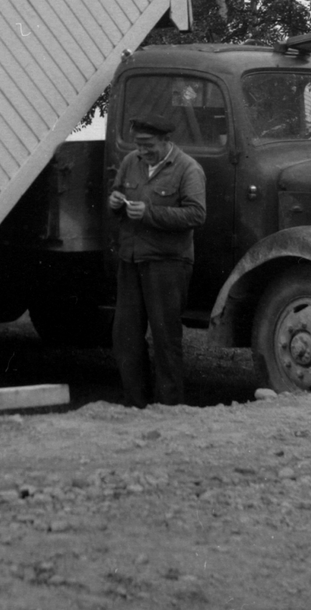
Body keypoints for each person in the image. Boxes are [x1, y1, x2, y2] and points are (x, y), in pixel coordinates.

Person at [108, 111, 206, 407]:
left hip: (167, 264)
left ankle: (169, 407)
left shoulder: (188, 169)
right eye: (138, 144)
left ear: (166, 140)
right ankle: (135, 405)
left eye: (148, 144)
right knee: (126, 337)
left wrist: (149, 213)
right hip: (131, 260)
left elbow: (197, 214)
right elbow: (117, 192)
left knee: (165, 339)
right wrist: (114, 202)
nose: (142, 151)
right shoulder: (130, 162)